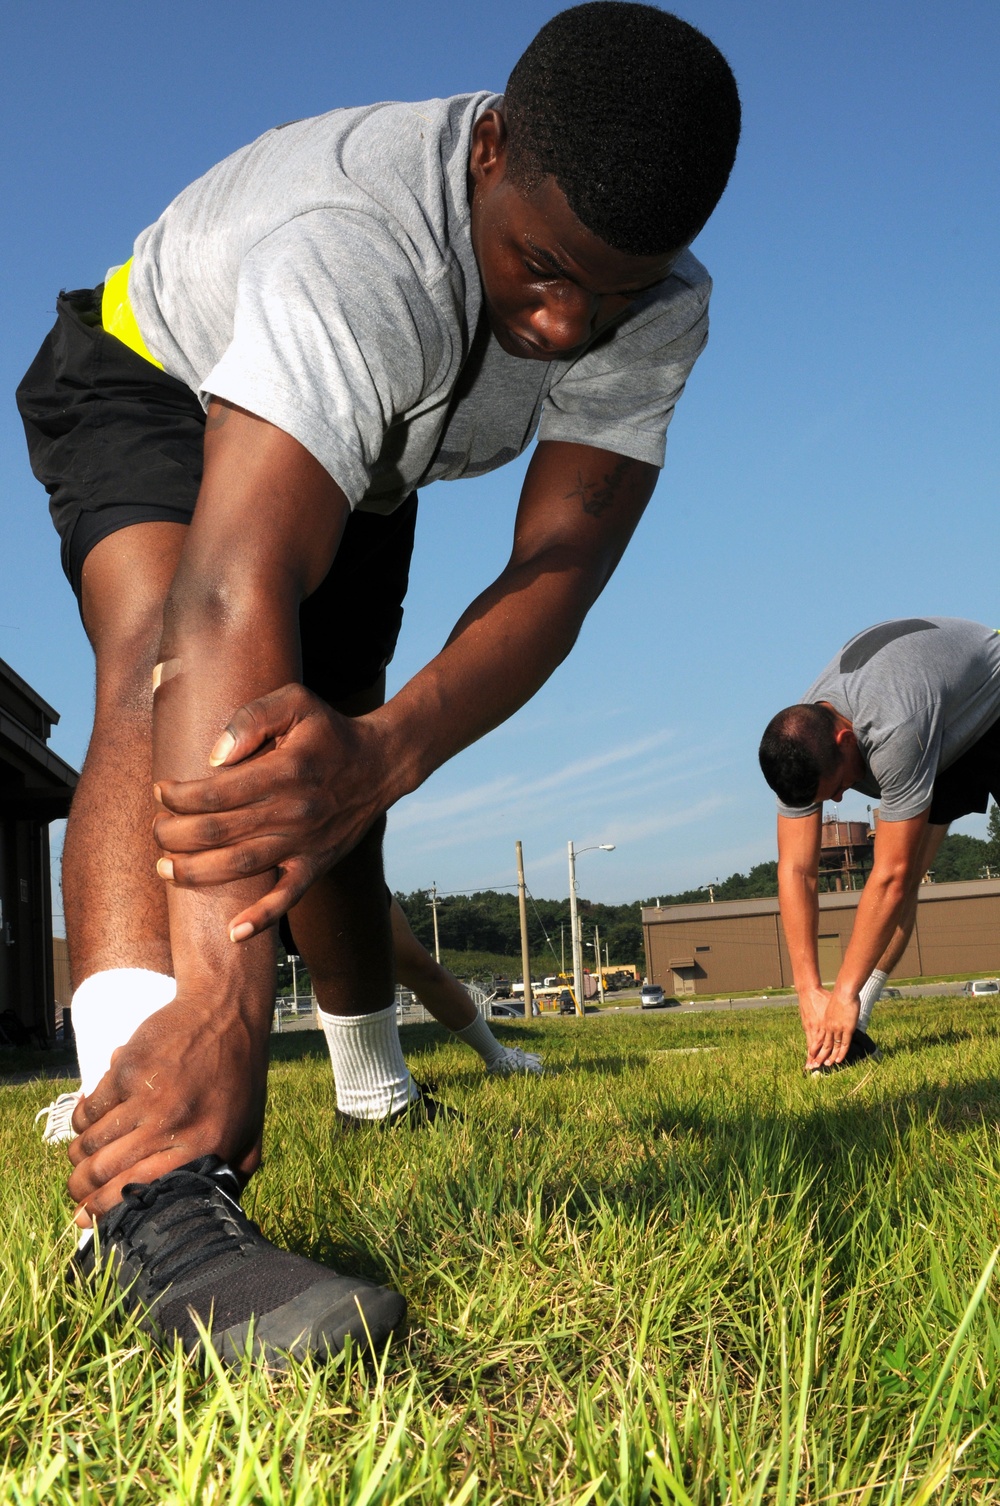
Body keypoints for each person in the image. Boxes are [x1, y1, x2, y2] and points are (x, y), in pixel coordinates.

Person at [21, 2, 740, 1364]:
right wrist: (228, 1008)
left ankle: (374, 1084)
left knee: (331, 756)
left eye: (612, 289)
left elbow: (558, 571)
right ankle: (144, 1188)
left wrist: (386, 748)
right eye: (537, 266)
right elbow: (227, 599)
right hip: (148, 373)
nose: (563, 319)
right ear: (489, 150)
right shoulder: (355, 249)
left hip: (367, 455)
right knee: (160, 646)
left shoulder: (661, 306)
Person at [759, 617, 1000, 1075]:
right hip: (936, 719)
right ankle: (852, 1038)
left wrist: (842, 994)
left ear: (845, 739)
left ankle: (852, 1009)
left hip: (991, 700)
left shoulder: (894, 727)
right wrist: (808, 989)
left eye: (834, 787)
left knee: (896, 876)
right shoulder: (797, 743)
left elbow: (885, 877)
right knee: (906, 883)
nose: (836, 800)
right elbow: (796, 870)